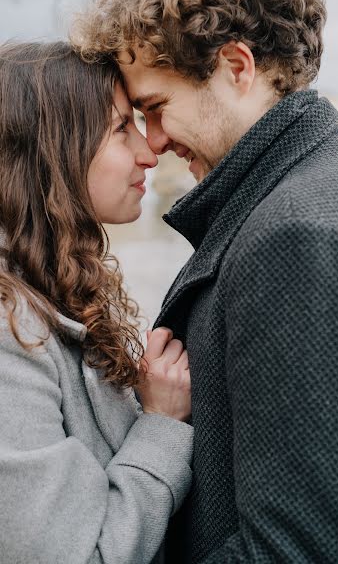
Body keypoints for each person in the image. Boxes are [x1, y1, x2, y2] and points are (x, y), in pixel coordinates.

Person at [73, 0, 338, 562]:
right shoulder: (314, 189)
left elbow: (302, 549)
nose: (153, 140)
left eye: (156, 106)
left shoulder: (300, 238)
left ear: (236, 67)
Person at [0, 41, 193, 564]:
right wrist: (161, 426)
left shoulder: (54, 283)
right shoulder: (7, 330)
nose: (148, 152)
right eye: (119, 129)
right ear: (51, 149)